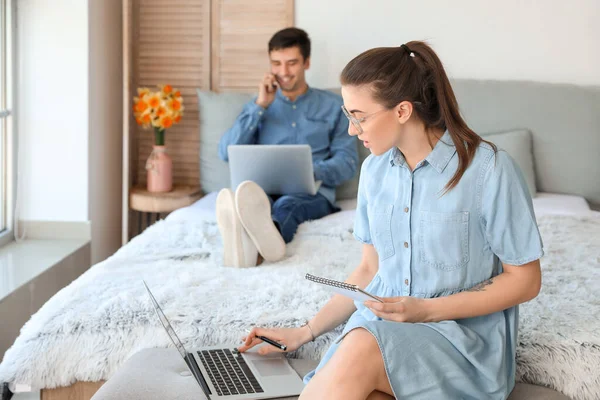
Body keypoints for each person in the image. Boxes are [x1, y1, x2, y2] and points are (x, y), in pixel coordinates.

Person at [238, 41, 544, 400]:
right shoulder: (374, 171)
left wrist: (427, 310)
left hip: (461, 346)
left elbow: (525, 281)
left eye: (360, 116)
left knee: (362, 345)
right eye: (347, 115)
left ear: (402, 111)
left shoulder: (489, 169)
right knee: (363, 365)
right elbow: (371, 269)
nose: (352, 130)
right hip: (380, 334)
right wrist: (304, 332)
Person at [216, 27, 358, 267]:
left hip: (313, 194)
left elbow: (348, 163)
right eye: (276, 64)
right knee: (252, 202)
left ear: (307, 62)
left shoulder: (334, 106)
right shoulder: (258, 105)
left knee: (287, 205)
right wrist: (260, 105)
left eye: (291, 63)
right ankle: (248, 232)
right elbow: (226, 151)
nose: (283, 72)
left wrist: (308, 171)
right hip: (261, 193)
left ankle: (256, 247)